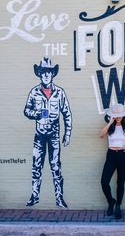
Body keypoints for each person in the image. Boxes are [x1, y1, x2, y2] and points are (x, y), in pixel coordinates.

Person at [24, 57, 72, 208]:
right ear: (39, 74)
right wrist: (36, 114)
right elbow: (26, 110)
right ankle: (35, 196)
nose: (46, 75)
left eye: (49, 72)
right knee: (36, 166)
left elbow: (67, 113)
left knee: (55, 166)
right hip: (39, 135)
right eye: (43, 72)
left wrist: (68, 132)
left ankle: (59, 198)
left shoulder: (60, 93)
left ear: (52, 74)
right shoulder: (34, 92)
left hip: (54, 136)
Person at [99, 103, 125, 219]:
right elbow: (101, 135)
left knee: (120, 182)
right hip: (111, 155)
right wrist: (110, 123)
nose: (118, 118)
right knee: (104, 181)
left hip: (123, 156)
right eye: (116, 116)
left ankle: (118, 205)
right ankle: (111, 201)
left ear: (123, 116)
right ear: (112, 116)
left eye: (120, 116)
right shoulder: (110, 126)